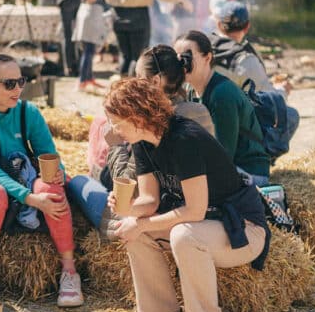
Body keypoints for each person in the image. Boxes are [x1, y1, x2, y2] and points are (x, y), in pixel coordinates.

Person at [104, 78, 271, 312]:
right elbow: (151, 200)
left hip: (242, 230)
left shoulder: (184, 139)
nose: (113, 130)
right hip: (203, 224)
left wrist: (142, 221)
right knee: (135, 232)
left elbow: (194, 210)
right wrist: (129, 209)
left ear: (136, 116)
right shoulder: (142, 142)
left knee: (183, 234)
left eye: (116, 122)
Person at [0, 54, 84, 308]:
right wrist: (31, 198)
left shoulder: (29, 112)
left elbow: (50, 155)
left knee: (52, 188)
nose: (18, 89)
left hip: (25, 183)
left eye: (21, 81)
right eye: (9, 84)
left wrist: (57, 172)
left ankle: (70, 271)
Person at [67, 45, 215, 236]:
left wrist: (116, 146)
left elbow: (126, 188)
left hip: (154, 218)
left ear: (154, 81)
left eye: (138, 77)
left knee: (79, 182)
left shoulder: (150, 125)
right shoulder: (198, 111)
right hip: (186, 212)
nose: (133, 84)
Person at [174, 31, 270, 186]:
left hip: (248, 172)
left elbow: (222, 157)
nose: (181, 66)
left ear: (208, 58)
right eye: (177, 60)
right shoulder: (190, 90)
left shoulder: (221, 95)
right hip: (226, 165)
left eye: (186, 58)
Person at [213, 1, 300, 140]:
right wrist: (282, 90)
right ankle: (258, 160)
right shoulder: (246, 60)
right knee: (291, 115)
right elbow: (270, 100)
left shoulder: (202, 49)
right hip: (234, 127)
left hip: (204, 121)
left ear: (219, 25)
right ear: (247, 27)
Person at [67, 0, 108, 91]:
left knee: (88, 47)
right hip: (91, 11)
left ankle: (89, 77)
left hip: (86, 11)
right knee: (89, 49)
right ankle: (82, 80)